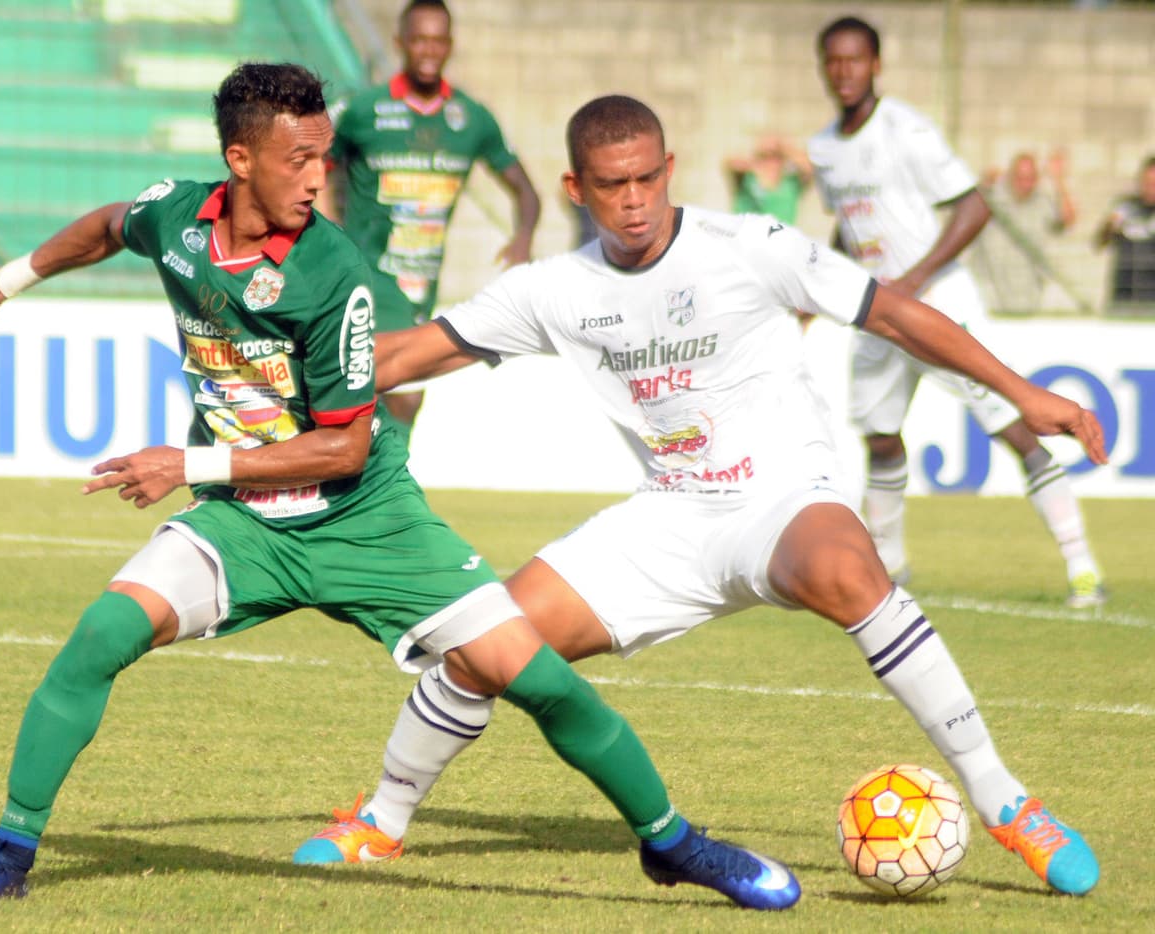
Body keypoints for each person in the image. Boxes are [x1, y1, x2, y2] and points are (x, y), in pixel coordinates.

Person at [0, 63, 799, 912]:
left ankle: (673, 843)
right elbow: (113, 224)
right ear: (239, 161)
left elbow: (341, 451)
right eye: (298, 160)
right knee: (100, 636)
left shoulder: (331, 272)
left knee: (538, 681)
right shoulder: (177, 217)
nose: (318, 178)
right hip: (243, 524)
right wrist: (7, 281)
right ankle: (10, 852)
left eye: (324, 157)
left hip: (367, 520)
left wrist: (184, 465)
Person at [292, 94, 1102, 898]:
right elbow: (412, 355)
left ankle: (1008, 805)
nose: (635, 199)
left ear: (670, 169)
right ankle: (384, 822)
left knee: (847, 568)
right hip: (669, 519)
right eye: (613, 185)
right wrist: (280, 374)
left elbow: (892, 314)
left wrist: (1021, 392)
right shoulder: (553, 289)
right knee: (483, 638)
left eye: (648, 177)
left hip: (782, 498)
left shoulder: (749, 245)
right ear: (577, 189)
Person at [806, 15, 1106, 607]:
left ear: (876, 65)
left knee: (1013, 427)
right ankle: (889, 564)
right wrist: (815, 292)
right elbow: (849, 226)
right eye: (833, 62)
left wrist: (914, 280)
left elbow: (974, 207)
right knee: (881, 437)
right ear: (823, 67)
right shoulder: (822, 148)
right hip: (875, 311)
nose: (844, 72)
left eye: (855, 60)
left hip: (937, 304)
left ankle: (1082, 566)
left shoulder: (907, 130)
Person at [320, 0, 541, 432]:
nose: (428, 50)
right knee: (403, 390)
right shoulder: (365, 109)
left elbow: (526, 191)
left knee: (393, 394)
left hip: (422, 278)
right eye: (419, 39)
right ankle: (382, 485)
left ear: (450, 46)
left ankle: (369, 480)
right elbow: (315, 161)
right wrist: (326, 227)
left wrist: (523, 239)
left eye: (438, 40)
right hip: (367, 270)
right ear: (400, 42)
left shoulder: (471, 120)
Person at [970, 150, 1078, 313]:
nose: (1026, 184)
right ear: (1010, 176)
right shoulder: (993, 196)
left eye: (1031, 179)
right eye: (1020, 178)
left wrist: (1058, 180)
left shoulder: (1042, 202)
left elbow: (1067, 219)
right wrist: (984, 183)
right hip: (990, 293)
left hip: (1028, 295)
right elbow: (964, 212)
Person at [1094, 155, 1155, 308]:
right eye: (1147, 183)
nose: (1150, 188)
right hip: (1123, 297)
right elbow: (1099, 243)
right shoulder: (1125, 207)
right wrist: (1109, 226)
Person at [723, 134, 813, 224]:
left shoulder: (791, 182)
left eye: (777, 156)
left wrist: (785, 148)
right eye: (765, 156)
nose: (771, 161)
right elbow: (731, 163)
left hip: (779, 235)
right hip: (744, 234)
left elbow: (811, 167)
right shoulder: (747, 177)